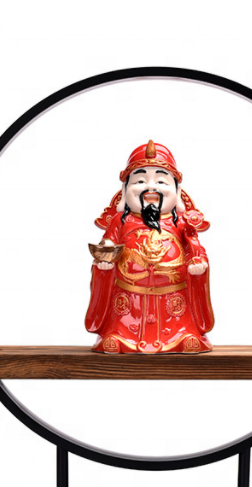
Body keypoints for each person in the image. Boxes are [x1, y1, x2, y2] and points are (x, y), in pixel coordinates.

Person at [85, 140, 214, 353]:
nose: (151, 187)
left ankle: (182, 334)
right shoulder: (120, 221)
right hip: (128, 303)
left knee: (186, 336)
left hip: (173, 303)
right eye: (140, 181)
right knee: (116, 337)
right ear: (125, 189)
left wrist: (197, 265)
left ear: (177, 191)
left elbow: (195, 249)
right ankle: (119, 334)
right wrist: (105, 259)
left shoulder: (181, 223)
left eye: (161, 181)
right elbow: (108, 243)